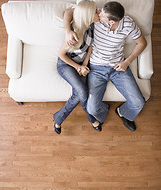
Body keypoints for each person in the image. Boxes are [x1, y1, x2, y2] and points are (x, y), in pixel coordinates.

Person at [64, 1, 147, 132]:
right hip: (96, 68)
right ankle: (104, 110)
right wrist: (67, 30)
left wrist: (127, 62)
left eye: (102, 14)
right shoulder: (96, 18)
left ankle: (123, 112)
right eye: (100, 11)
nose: (98, 14)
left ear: (111, 21)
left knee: (139, 103)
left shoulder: (128, 24)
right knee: (92, 108)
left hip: (118, 67)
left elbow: (142, 43)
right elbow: (69, 11)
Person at [53, 0, 103, 134]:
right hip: (67, 64)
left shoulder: (92, 25)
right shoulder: (74, 34)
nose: (99, 13)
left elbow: (90, 47)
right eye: (96, 11)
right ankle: (91, 119)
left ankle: (58, 119)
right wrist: (78, 67)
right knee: (83, 91)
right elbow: (61, 55)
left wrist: (85, 64)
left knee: (78, 95)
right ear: (88, 15)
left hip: (81, 65)